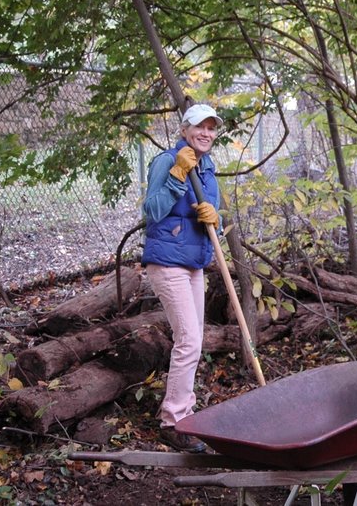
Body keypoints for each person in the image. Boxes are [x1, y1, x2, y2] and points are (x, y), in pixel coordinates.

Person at [141, 104, 223, 452]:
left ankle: (183, 412)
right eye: (199, 127)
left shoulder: (207, 167)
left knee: (195, 341)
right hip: (167, 262)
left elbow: (208, 213)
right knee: (188, 339)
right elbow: (152, 210)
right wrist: (177, 175)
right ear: (185, 129)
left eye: (211, 128)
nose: (206, 133)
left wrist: (215, 216)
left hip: (194, 262)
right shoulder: (166, 160)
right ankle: (174, 422)